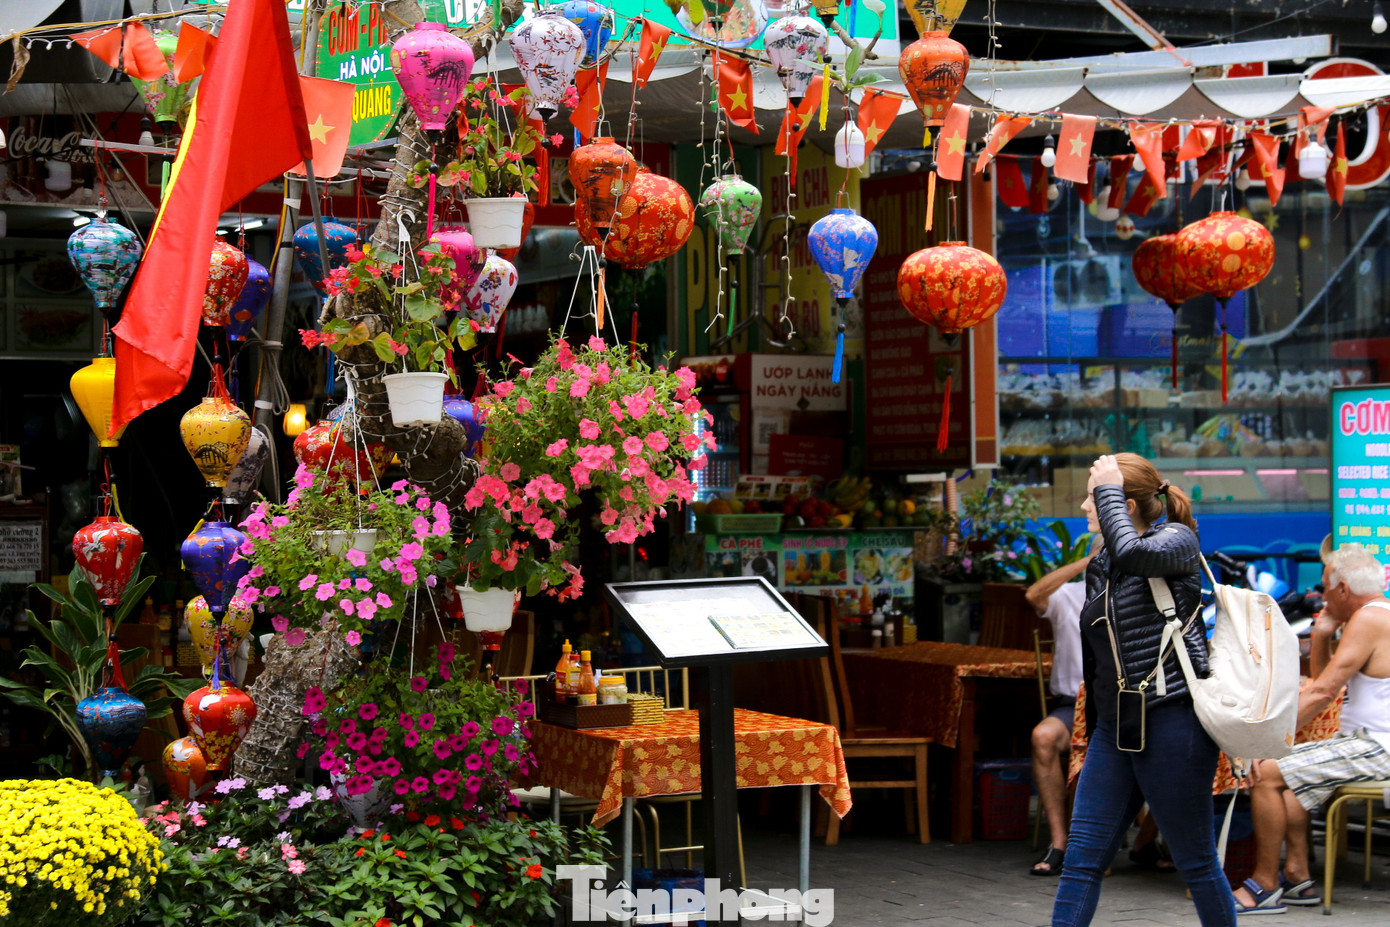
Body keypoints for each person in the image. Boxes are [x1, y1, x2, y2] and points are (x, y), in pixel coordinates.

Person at [1052, 453, 1235, 927]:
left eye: (1094, 497)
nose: (1084, 506)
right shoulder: (1103, 563)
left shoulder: (1177, 541)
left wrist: (1110, 486)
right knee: (1082, 860)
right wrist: (1095, 728)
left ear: (1125, 504)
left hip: (1172, 720)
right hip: (1116, 728)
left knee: (1195, 861)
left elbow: (1136, 555)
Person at [1230, 542, 1390, 914]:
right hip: (1367, 741)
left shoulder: (1369, 619)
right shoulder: (1374, 614)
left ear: (1343, 589)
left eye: (1324, 586)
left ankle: (1264, 886)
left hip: (1378, 746)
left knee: (1265, 771)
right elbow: (1325, 683)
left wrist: (1264, 741)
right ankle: (1298, 878)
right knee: (1287, 781)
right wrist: (1321, 635)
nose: (1320, 594)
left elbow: (1320, 692)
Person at [1026, 553, 1091, 876]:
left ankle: (1142, 841)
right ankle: (1059, 842)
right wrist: (1085, 563)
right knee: (1042, 736)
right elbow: (1033, 595)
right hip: (1071, 703)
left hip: (1117, 705)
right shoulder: (1069, 594)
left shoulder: (1133, 595)